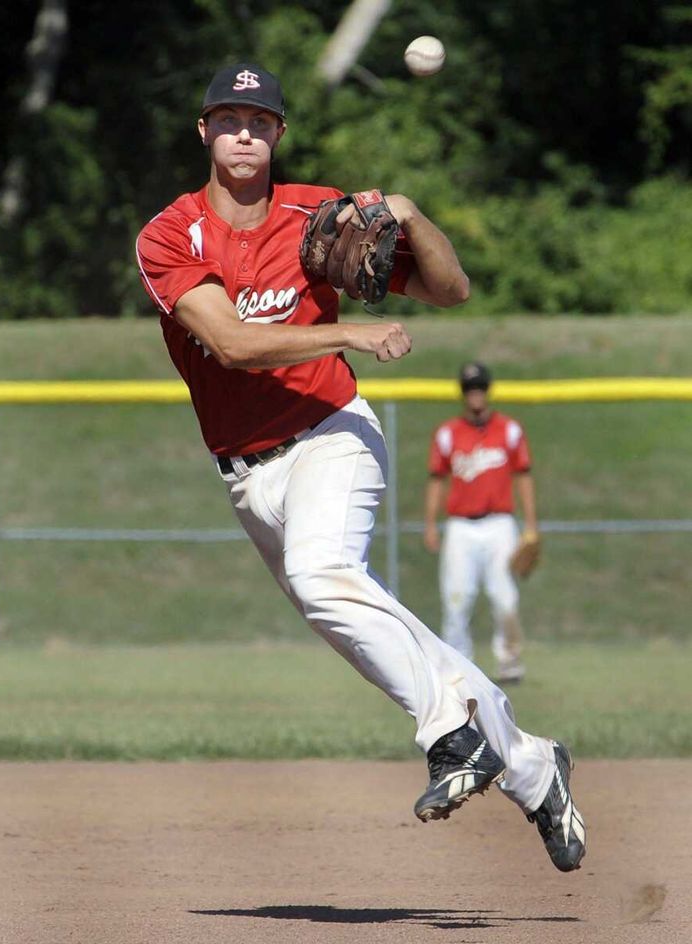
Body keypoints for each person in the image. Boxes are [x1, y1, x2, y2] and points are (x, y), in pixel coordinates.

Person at [135, 62, 585, 872]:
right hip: (247, 476)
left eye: (259, 120)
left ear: (279, 133)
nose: (244, 133)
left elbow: (450, 290)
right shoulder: (170, 235)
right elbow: (230, 343)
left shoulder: (320, 216)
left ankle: (451, 737)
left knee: (322, 577)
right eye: (229, 118)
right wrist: (348, 332)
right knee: (357, 612)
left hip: (331, 434)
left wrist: (410, 215)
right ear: (204, 131)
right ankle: (531, 765)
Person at [424, 362, 538, 683]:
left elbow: (523, 476)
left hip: (500, 524)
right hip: (460, 527)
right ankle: (458, 666)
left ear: (488, 391)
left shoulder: (509, 430)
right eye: (470, 389)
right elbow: (436, 479)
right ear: (463, 394)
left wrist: (531, 525)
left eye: (480, 388)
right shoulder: (447, 434)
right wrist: (430, 523)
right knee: (456, 598)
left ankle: (510, 663)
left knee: (505, 598)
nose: (475, 394)